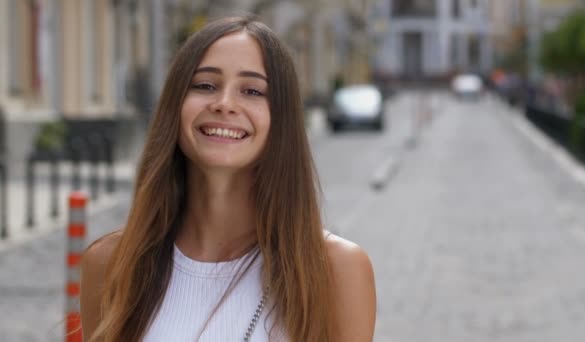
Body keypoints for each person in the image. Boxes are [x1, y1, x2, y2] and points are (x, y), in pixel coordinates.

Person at [79, 15, 376, 342]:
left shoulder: (335, 269)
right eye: (205, 85)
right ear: (174, 106)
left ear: (282, 120)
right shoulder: (110, 263)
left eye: (252, 90)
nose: (224, 104)